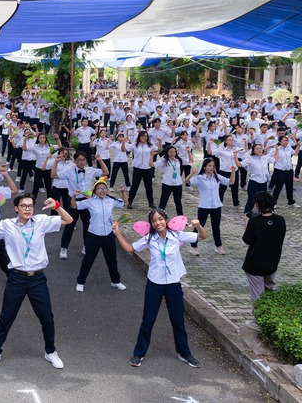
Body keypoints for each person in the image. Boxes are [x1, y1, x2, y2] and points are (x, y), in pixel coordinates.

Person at [0, 194, 73, 370]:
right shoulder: (7, 225)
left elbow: (68, 220)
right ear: (16, 208)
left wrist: (56, 205)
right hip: (16, 278)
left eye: (30, 206)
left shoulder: (41, 221)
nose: (28, 209)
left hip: (38, 279)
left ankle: (50, 351)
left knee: (47, 317)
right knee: (6, 316)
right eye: (23, 206)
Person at [112, 209, 207, 368]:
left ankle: (184, 352)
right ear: (152, 224)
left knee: (178, 320)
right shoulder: (149, 238)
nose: (158, 223)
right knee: (148, 320)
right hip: (154, 284)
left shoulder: (176, 235)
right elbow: (129, 249)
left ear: (166, 220)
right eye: (154, 221)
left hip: (173, 284)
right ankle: (138, 353)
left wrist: (199, 225)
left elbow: (202, 236)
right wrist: (117, 233)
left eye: (160, 219)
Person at [72, 178, 129, 292]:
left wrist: (123, 192)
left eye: (104, 188)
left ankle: (115, 281)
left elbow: (125, 203)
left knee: (112, 259)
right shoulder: (90, 201)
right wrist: (73, 196)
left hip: (108, 235)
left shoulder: (111, 200)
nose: (102, 191)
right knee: (88, 259)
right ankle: (81, 281)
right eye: (99, 189)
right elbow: (74, 206)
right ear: (95, 191)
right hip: (93, 235)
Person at [242, 192, 285, 322]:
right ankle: (272, 317)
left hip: (255, 264)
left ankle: (259, 321)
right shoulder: (280, 220)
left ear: (257, 205)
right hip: (272, 262)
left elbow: (247, 240)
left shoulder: (254, 222)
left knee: (258, 295)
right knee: (270, 288)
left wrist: (248, 223)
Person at [185, 157, 235, 256]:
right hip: (204, 206)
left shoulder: (217, 177)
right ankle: (193, 246)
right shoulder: (199, 178)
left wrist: (233, 171)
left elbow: (231, 182)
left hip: (216, 205)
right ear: (204, 167)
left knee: (216, 227)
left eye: (213, 166)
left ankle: (218, 246)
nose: (212, 168)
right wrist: (192, 173)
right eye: (209, 166)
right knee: (199, 227)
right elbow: (187, 182)